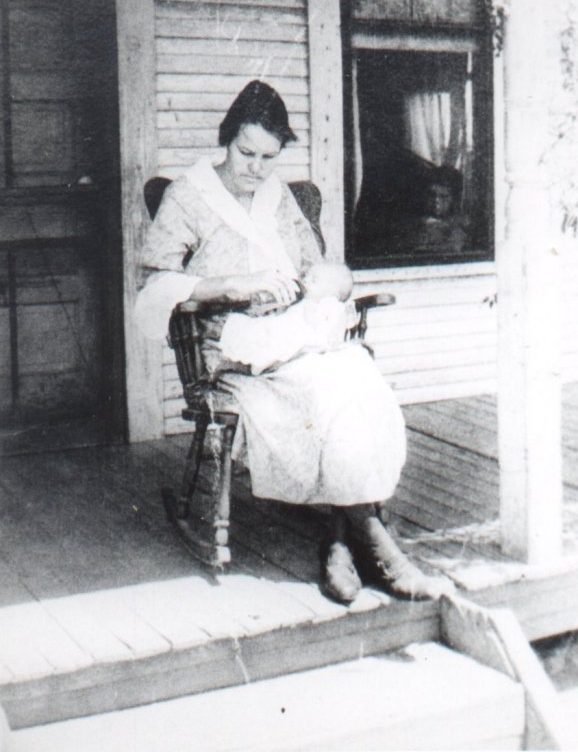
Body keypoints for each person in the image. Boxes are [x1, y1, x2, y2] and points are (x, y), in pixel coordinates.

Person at [135, 80, 451, 604]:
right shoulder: (189, 196)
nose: (255, 168)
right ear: (227, 138)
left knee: (359, 381)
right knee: (326, 391)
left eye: (268, 157)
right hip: (233, 348)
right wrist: (231, 286)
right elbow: (155, 283)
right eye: (246, 152)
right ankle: (378, 545)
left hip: (295, 334)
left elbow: (318, 268)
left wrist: (314, 285)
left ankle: (339, 542)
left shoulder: (277, 196)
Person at [219, 262, 357, 375]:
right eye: (306, 277)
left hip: (306, 341)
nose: (306, 281)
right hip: (290, 331)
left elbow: (325, 328)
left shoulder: (331, 305)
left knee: (272, 341)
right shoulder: (306, 300)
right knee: (262, 331)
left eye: (314, 280)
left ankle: (256, 361)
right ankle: (245, 356)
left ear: (333, 294)